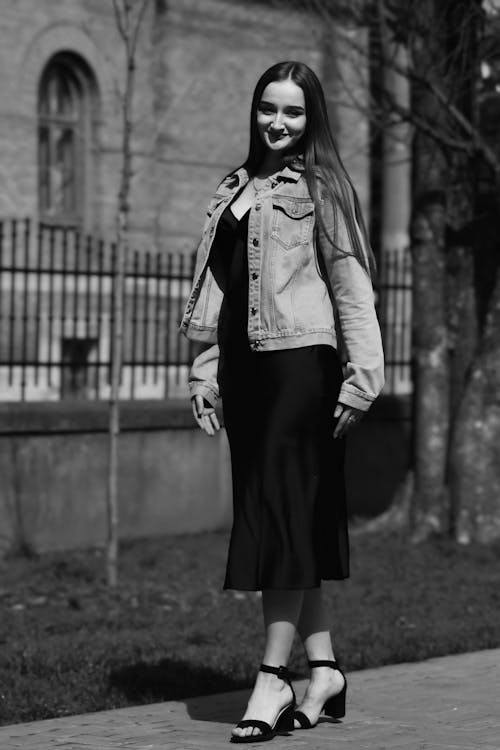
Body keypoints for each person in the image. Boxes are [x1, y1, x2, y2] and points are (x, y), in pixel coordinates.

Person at [180, 60, 384, 744]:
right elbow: (216, 291)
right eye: (269, 108)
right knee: (291, 516)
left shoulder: (321, 185)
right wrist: (203, 373)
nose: (278, 121)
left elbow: (351, 283)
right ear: (255, 109)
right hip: (247, 375)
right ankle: (322, 670)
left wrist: (364, 376)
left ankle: (272, 676)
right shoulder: (233, 188)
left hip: (303, 365)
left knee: (278, 517)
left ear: (311, 118)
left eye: (293, 112)